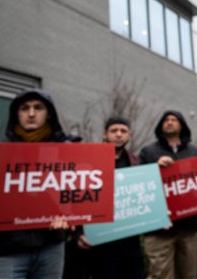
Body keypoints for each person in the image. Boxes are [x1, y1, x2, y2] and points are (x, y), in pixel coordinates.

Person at [0, 89, 76, 279]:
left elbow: (75, 196)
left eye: (38, 108)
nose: (31, 114)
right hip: (6, 248)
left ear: (49, 114)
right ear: (16, 114)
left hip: (51, 247)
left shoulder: (65, 152)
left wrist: (69, 217)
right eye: (25, 108)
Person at [73, 116, 145, 279]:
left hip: (130, 240)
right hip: (100, 240)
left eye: (123, 131)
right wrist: (79, 232)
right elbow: (77, 198)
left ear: (129, 135)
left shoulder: (137, 163)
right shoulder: (89, 160)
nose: (118, 134)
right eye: (114, 131)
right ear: (105, 134)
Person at [139, 110, 197, 279]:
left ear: (182, 125)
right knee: (160, 275)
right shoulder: (148, 152)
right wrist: (155, 166)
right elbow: (139, 183)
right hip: (159, 230)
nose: (169, 122)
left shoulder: (195, 152)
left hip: (188, 228)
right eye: (166, 120)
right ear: (161, 125)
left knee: (189, 275)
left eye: (174, 119)